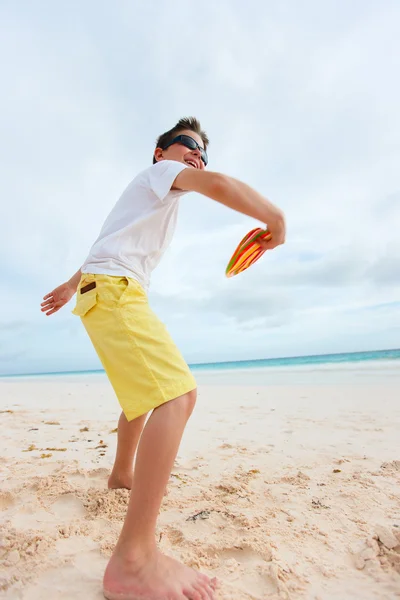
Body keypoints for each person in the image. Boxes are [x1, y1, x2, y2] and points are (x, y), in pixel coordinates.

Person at [41, 117, 286, 600]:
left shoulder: (151, 197)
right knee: (178, 396)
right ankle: (133, 559)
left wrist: (73, 284)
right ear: (160, 151)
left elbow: (102, 246)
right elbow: (218, 184)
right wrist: (275, 218)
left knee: (143, 397)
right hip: (115, 291)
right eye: (189, 146)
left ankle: (122, 475)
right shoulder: (156, 175)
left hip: (108, 287)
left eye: (203, 153)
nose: (198, 157)